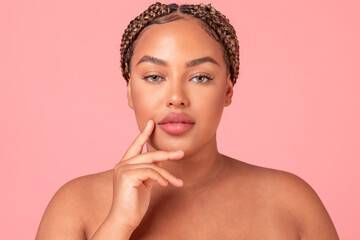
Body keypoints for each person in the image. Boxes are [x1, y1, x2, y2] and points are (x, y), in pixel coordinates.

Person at [36, 2, 339, 239]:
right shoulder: (75, 205)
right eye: (154, 77)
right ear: (130, 92)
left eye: (200, 77)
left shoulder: (292, 203)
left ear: (228, 90)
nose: (176, 97)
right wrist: (118, 224)